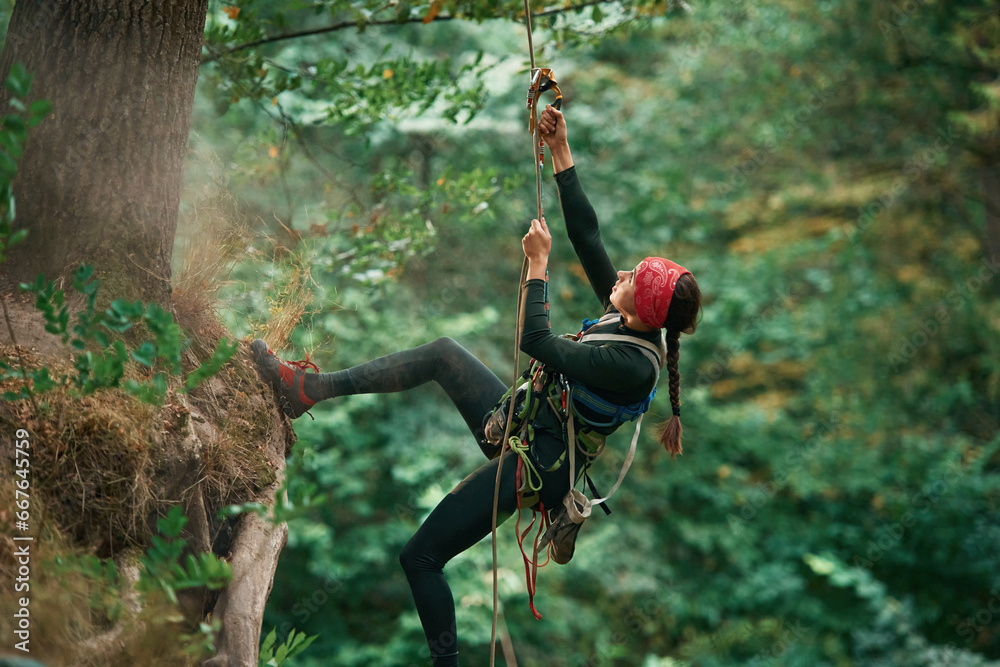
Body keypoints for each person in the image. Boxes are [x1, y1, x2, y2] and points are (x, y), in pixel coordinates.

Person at [250, 105, 702, 666]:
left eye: (635, 279)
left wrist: (537, 266)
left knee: (419, 558)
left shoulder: (634, 364)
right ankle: (305, 392)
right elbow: (587, 233)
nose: (624, 275)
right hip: (524, 423)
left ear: (648, 310)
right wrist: (560, 149)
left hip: (535, 465)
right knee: (443, 354)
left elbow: (537, 342)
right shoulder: (630, 315)